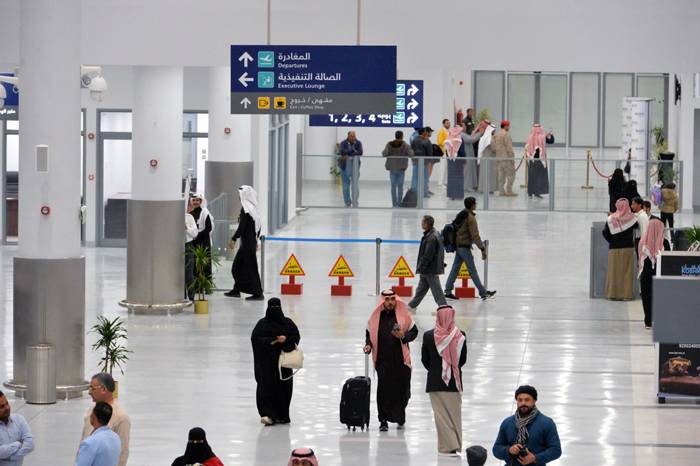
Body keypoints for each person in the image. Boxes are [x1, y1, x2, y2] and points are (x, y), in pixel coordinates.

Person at [364, 289, 419, 432]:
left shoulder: (404, 316)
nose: (390, 303)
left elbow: (414, 332)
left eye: (392, 299)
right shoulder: (375, 317)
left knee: (403, 390)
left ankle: (400, 415)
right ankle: (383, 420)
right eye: (387, 300)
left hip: (401, 361)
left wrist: (403, 335)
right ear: (383, 301)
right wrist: (368, 345)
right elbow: (369, 334)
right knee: (384, 391)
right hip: (383, 361)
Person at [421, 305, 467, 457]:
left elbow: (424, 360)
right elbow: (463, 360)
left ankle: (447, 446)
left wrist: (436, 370)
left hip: (435, 382)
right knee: (455, 415)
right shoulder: (461, 336)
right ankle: (456, 444)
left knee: (441, 417)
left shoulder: (428, 336)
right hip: (454, 382)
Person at [251, 298, 300, 426]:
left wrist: (286, 339)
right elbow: (256, 340)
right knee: (266, 388)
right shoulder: (262, 324)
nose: (275, 310)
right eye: (272, 307)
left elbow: (296, 337)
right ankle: (267, 414)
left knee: (284, 389)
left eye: (277, 307)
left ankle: (282, 415)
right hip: (267, 365)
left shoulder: (288, 323)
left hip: (283, 364)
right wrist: (273, 340)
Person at [493, 386, 561, 465]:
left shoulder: (547, 423)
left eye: (527, 400)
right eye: (520, 400)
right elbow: (496, 449)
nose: (523, 403)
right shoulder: (507, 423)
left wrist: (535, 458)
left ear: (534, 401)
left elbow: (556, 450)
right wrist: (509, 450)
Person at [444, 197, 496, 301]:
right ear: (472, 205)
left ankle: (448, 291)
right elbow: (475, 236)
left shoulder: (462, 214)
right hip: (464, 247)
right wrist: (482, 249)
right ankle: (483, 292)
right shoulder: (470, 218)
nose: (476, 205)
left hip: (458, 246)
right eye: (475, 203)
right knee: (472, 271)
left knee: (455, 269)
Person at [81, 373, 130, 466]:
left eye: (92, 388)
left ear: (103, 389)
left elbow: (122, 453)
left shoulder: (121, 417)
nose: (89, 392)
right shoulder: (92, 410)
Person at [225, 185, 264, 300]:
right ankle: (237, 290)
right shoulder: (252, 209)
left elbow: (242, 227)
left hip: (247, 245)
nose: (238, 196)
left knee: (246, 269)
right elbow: (258, 227)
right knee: (239, 267)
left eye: (240, 194)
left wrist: (233, 238)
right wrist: (255, 240)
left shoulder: (246, 210)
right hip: (248, 244)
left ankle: (257, 293)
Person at [408, 215, 448, 312]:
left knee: (436, 290)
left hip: (430, 268)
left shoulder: (431, 237)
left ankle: (443, 308)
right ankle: (412, 306)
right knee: (421, 288)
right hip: (429, 268)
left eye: (423, 222)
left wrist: (421, 267)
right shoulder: (434, 234)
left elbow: (428, 255)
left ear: (426, 224)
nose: (421, 223)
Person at [602, 198, 637, 301]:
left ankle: (612, 294)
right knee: (627, 272)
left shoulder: (611, 219)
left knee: (613, 272)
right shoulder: (632, 219)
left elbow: (605, 232)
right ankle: (626, 295)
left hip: (614, 248)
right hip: (628, 248)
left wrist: (612, 241)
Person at [638, 219, 668, 329]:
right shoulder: (664, 243)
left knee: (646, 297)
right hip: (660, 273)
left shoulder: (642, 242)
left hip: (646, 274)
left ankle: (648, 321)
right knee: (659, 297)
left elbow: (639, 259)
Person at [0, 390, 34, 465]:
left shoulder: (19, 419)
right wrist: (18, 444)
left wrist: (10, 458)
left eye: (7, 403)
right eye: (2, 406)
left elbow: (30, 444)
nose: (7, 408)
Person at [382, 130, 413, 207]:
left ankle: (394, 203)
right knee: (400, 187)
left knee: (393, 186)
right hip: (401, 168)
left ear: (395, 136)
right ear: (402, 136)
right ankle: (399, 203)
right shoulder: (405, 145)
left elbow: (384, 153)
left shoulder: (389, 144)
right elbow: (411, 154)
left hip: (392, 168)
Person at [188, 193, 214, 279]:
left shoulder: (205, 212)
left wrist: (198, 236)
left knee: (205, 264)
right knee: (194, 265)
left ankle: (206, 286)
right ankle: (196, 286)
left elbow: (209, 228)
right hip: (194, 243)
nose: (195, 202)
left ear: (201, 201)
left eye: (197, 200)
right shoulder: (190, 214)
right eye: (193, 200)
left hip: (204, 243)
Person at [525, 124, 553, 198]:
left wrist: (550, 135)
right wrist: (550, 135)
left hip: (533, 160)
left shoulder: (530, 137)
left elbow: (550, 141)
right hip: (539, 160)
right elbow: (550, 141)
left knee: (533, 176)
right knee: (538, 176)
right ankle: (535, 193)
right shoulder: (541, 137)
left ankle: (532, 193)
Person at [492, 120, 517, 196]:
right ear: (505, 126)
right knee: (511, 175)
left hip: (498, 159)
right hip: (506, 159)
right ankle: (509, 191)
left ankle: (501, 191)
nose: (509, 127)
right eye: (508, 126)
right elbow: (509, 148)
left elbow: (493, 147)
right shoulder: (506, 135)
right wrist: (512, 159)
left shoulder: (496, 135)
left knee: (501, 176)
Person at [338, 131, 363, 207]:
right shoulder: (343, 143)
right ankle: (347, 203)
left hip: (355, 166)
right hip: (344, 166)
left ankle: (355, 201)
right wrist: (353, 151)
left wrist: (348, 153)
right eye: (351, 136)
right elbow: (342, 151)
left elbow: (360, 152)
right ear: (348, 136)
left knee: (355, 185)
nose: (353, 138)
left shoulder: (358, 143)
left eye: (354, 136)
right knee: (345, 185)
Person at [445, 122, 466, 200]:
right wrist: (464, 160)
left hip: (451, 161)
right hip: (459, 161)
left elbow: (446, 150)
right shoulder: (460, 138)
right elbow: (462, 151)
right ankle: (459, 195)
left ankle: (451, 195)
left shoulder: (449, 137)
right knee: (459, 178)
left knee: (451, 178)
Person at [411, 127, 434, 196]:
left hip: (415, 162)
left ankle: (414, 193)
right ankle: (424, 193)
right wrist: (430, 161)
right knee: (425, 178)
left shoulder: (414, 140)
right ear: (424, 132)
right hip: (424, 162)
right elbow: (430, 153)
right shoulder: (427, 141)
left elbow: (411, 150)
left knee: (415, 178)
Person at [477, 122, 498, 194]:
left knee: (484, 173)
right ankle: (489, 189)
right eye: (494, 130)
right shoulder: (490, 138)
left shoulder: (484, 137)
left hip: (484, 158)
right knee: (489, 174)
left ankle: (483, 188)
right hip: (489, 159)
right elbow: (494, 148)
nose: (495, 131)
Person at [184, 211, 199, 301]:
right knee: (177, 274)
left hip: (188, 245)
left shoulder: (189, 217)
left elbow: (195, 233)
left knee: (189, 273)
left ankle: (191, 297)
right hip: (174, 245)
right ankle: (181, 296)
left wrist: (186, 228)